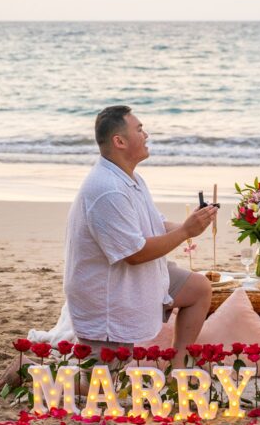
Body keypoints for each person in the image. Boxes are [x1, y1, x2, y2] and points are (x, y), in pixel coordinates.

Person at [65, 105, 218, 368]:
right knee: (100, 384)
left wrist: (193, 224)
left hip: (138, 278)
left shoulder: (130, 178)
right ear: (119, 141)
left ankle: (178, 368)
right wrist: (185, 232)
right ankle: (27, 371)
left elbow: (154, 225)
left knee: (198, 288)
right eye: (139, 129)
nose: (146, 134)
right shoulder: (108, 190)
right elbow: (135, 254)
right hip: (109, 296)